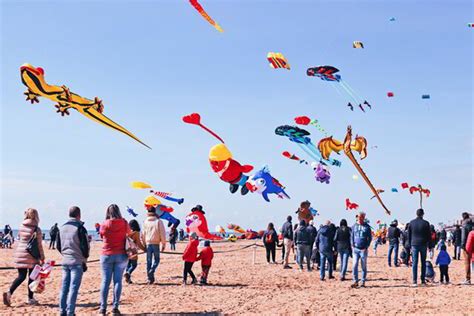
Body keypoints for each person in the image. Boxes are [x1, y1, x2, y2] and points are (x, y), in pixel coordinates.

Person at [3, 208, 45, 306]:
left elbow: (20, 239)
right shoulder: (36, 229)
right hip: (32, 255)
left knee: (21, 276)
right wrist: (42, 257)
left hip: (20, 253)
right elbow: (39, 245)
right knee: (32, 277)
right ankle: (30, 298)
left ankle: (9, 292)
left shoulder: (21, 227)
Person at [56, 206, 90, 316]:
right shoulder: (80, 227)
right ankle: (70, 312)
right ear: (79, 215)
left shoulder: (61, 227)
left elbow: (58, 245)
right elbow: (85, 246)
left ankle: (62, 311)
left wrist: (65, 254)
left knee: (64, 288)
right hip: (76, 261)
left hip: (65, 260)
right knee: (73, 288)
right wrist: (84, 259)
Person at [99, 204, 130, 315]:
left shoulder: (104, 223)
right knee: (117, 281)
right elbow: (129, 233)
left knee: (105, 281)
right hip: (121, 254)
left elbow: (102, 235)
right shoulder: (124, 222)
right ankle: (115, 307)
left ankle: (103, 308)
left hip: (106, 254)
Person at [142, 206, 166, 284]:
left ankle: (149, 278)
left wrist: (144, 243)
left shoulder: (145, 221)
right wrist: (163, 244)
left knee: (148, 261)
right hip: (156, 243)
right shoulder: (159, 221)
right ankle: (152, 270)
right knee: (157, 260)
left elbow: (143, 234)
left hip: (148, 243)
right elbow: (162, 233)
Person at [408, 208, 431, 287]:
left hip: (414, 244)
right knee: (423, 262)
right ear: (423, 214)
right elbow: (429, 235)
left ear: (416, 214)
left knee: (415, 263)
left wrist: (409, 244)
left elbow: (409, 235)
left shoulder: (411, 223)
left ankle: (414, 280)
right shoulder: (426, 223)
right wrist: (430, 245)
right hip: (423, 244)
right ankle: (422, 280)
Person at [350, 212, 372, 288]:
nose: (358, 218)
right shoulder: (354, 226)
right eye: (357, 216)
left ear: (363, 217)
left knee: (363, 266)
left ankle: (363, 281)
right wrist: (352, 244)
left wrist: (367, 246)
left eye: (360, 216)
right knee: (354, 265)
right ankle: (355, 281)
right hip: (355, 249)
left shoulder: (367, 227)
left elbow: (369, 238)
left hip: (363, 249)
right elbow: (352, 235)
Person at [124, 220, 146, 284]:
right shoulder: (136, 233)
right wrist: (144, 249)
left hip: (127, 251)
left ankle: (128, 279)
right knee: (134, 265)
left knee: (128, 264)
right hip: (133, 251)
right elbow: (138, 243)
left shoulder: (126, 233)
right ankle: (128, 273)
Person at [460, 212, 473, 285]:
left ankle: (468, 279)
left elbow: (463, 236)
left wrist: (462, 245)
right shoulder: (472, 223)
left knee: (467, 262)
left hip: (467, 244)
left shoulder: (464, 224)